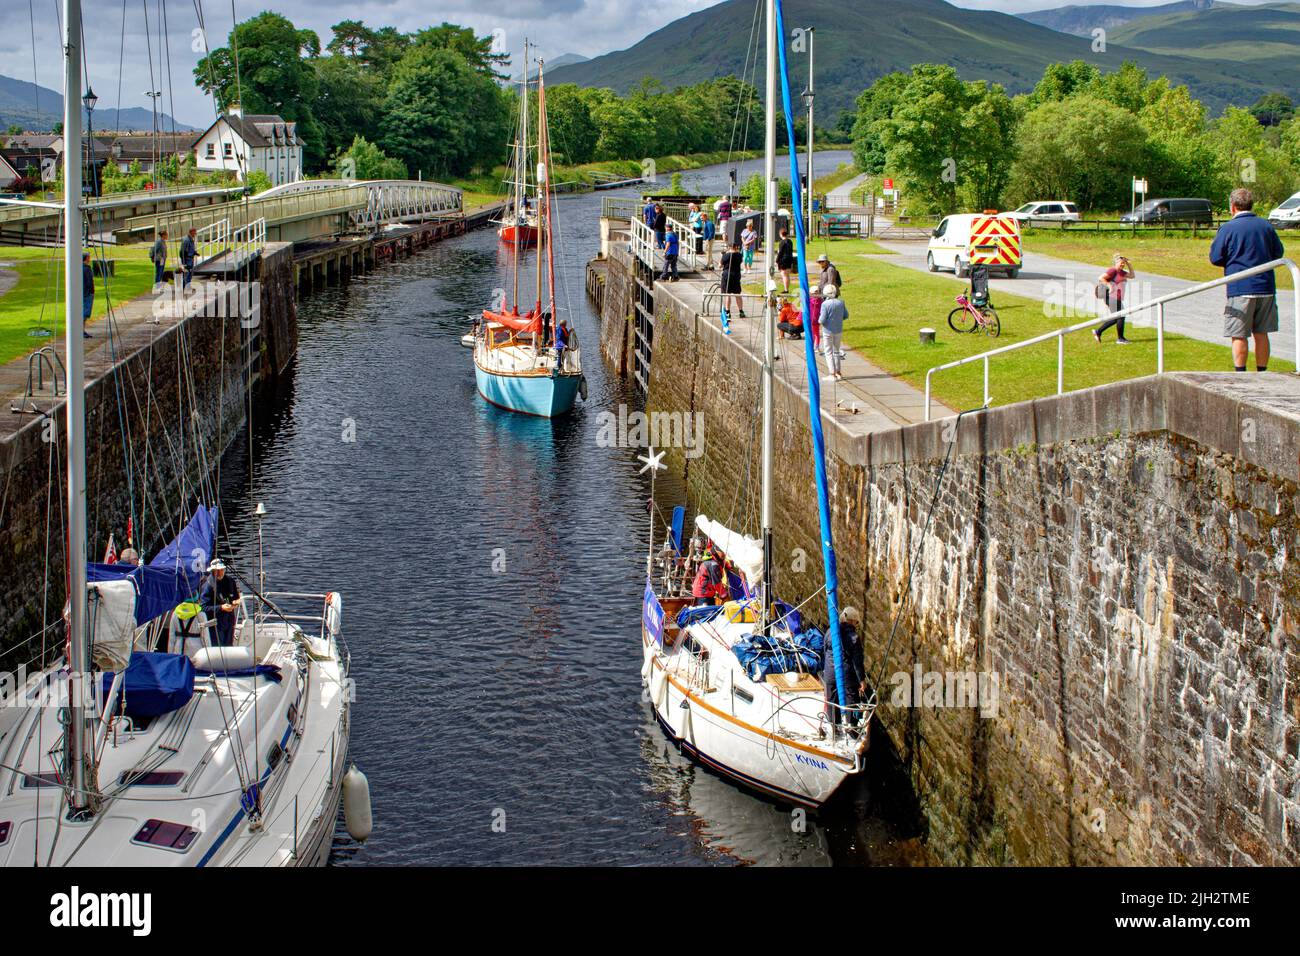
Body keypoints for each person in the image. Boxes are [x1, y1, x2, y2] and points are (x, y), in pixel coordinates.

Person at [1210, 187, 1286, 372]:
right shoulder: (1266, 226)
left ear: (1233, 207)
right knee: (1262, 333)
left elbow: (1216, 257)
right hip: (1265, 287)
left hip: (1240, 287)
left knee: (1239, 334)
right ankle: (1262, 372)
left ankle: (1240, 373)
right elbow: (1278, 252)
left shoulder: (1228, 228)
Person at [822, 606, 866, 732]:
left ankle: (834, 726)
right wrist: (862, 680)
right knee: (851, 698)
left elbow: (824, 650)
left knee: (831, 699)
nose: (856, 625)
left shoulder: (830, 632)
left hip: (829, 672)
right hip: (846, 674)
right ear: (852, 621)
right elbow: (857, 662)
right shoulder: (854, 637)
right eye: (856, 622)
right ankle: (851, 727)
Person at [1093, 254, 1135, 344]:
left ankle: (1098, 331)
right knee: (1121, 316)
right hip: (1111, 297)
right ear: (1116, 262)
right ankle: (1120, 339)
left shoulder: (1122, 272)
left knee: (1117, 318)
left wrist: (1129, 264)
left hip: (1117, 297)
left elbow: (1132, 276)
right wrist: (1110, 285)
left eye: (1124, 263)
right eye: (1121, 263)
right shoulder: (1113, 270)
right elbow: (1101, 278)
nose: (1123, 264)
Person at [200, 558, 241, 647]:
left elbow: (235, 597)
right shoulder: (208, 586)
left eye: (221, 570)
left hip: (229, 621)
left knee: (229, 646)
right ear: (212, 571)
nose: (220, 573)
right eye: (217, 570)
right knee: (218, 648)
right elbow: (203, 608)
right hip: (215, 624)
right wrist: (221, 607)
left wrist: (236, 602)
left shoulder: (230, 581)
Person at [818, 284, 848, 380]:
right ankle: (838, 372)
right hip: (838, 330)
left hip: (827, 331)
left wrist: (819, 320)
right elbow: (846, 315)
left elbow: (821, 320)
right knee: (836, 351)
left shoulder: (825, 304)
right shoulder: (841, 302)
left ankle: (832, 374)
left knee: (828, 352)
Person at [720, 242, 745, 319]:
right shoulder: (739, 255)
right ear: (736, 247)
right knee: (737, 294)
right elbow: (740, 261)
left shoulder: (725, 255)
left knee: (728, 294)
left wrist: (722, 257)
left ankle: (728, 312)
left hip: (727, 276)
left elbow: (720, 265)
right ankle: (741, 311)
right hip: (736, 275)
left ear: (729, 247)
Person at [776, 226, 795, 292]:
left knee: (784, 275)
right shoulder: (790, 241)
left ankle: (786, 289)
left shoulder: (782, 242)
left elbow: (780, 252)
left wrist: (777, 260)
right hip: (789, 259)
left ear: (781, 234)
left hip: (783, 260)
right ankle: (787, 288)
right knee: (787, 275)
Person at [81, 253, 94, 338]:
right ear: (86, 258)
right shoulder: (87, 269)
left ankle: (81, 330)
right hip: (87, 293)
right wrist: (92, 291)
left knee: (82, 313)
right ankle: (81, 331)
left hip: (81, 292)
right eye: (89, 257)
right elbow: (90, 282)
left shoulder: (79, 267)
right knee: (84, 314)